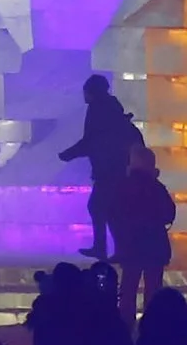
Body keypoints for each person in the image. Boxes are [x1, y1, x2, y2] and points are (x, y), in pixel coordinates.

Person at [60, 75, 146, 259]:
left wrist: (69, 154)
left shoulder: (98, 109)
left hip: (109, 170)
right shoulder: (110, 109)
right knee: (111, 209)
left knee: (99, 207)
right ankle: (118, 249)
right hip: (117, 168)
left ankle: (106, 248)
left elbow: (93, 141)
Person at [112, 150, 179, 312]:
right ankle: (153, 324)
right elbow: (169, 213)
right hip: (155, 244)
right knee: (154, 290)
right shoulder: (157, 187)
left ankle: (125, 325)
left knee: (128, 289)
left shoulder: (123, 186)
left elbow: (113, 214)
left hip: (131, 244)